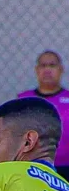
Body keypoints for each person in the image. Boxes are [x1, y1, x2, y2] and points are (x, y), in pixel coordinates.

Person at [19, 50, 69, 181]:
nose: (47, 70)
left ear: (61, 69)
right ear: (36, 70)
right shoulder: (23, 100)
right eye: (43, 65)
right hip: (32, 167)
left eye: (52, 65)